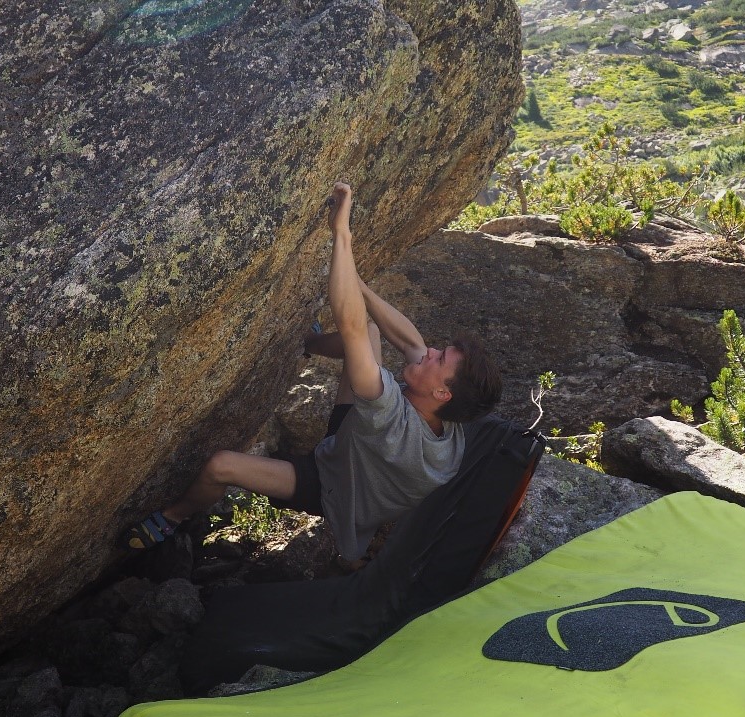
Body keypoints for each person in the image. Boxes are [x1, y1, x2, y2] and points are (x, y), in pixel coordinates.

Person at [127, 182, 502, 563]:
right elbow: (407, 341)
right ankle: (306, 342)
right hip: (359, 447)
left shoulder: (391, 418)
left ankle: (176, 516)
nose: (431, 353)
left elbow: (351, 326)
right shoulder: (449, 421)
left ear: (443, 393)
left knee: (219, 466)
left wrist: (341, 233)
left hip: (332, 486)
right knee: (372, 334)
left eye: (439, 361)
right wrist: (357, 284)